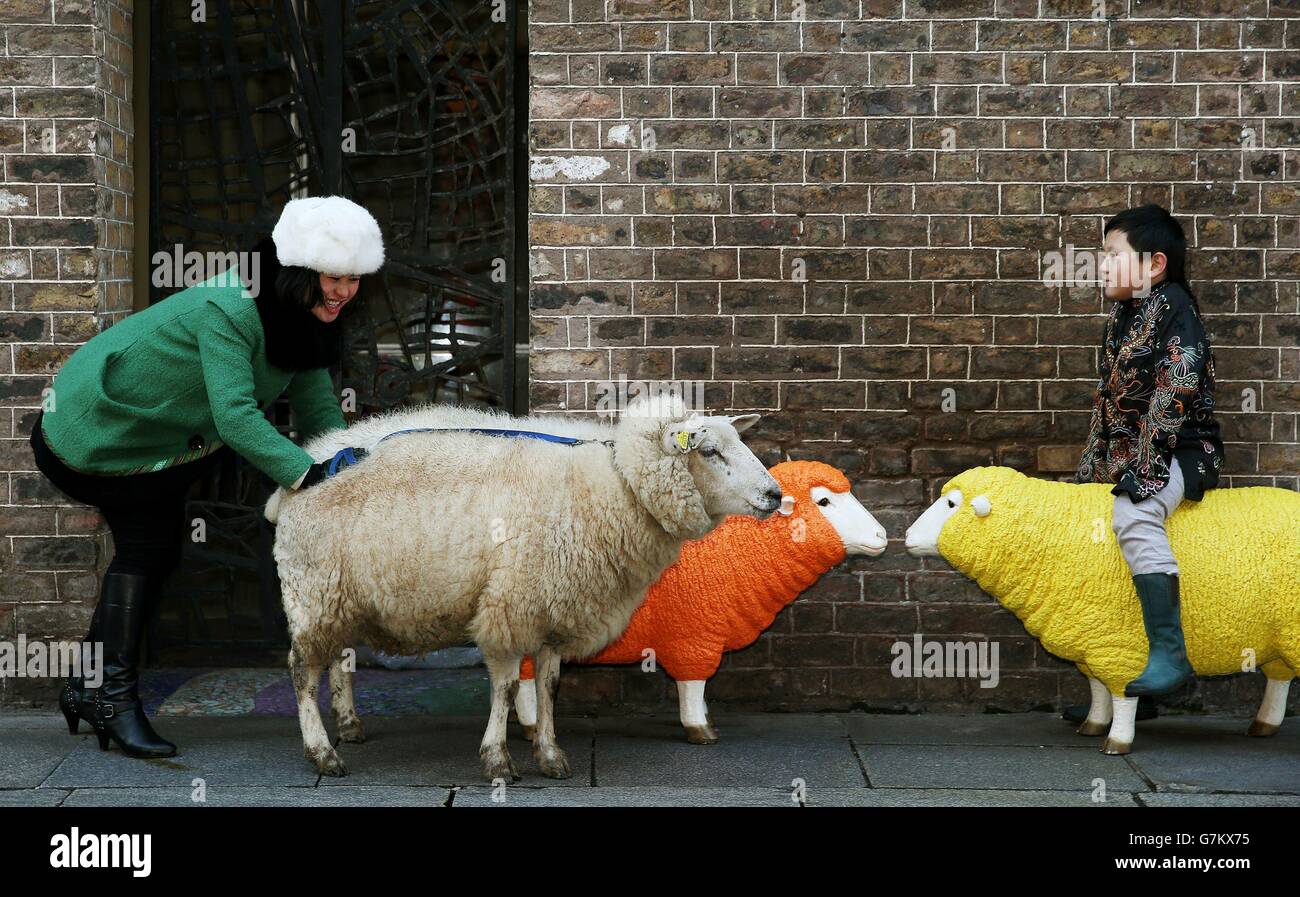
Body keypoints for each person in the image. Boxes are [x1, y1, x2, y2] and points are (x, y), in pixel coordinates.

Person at [31, 195, 380, 758]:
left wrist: (355, 468)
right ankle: (110, 698)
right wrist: (311, 477)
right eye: (334, 277)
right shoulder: (230, 307)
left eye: (355, 280)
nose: (344, 291)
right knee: (148, 547)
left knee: (158, 550)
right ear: (298, 273)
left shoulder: (305, 321)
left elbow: (320, 417)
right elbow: (236, 418)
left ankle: (88, 686)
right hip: (96, 428)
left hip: (160, 442)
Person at [1072, 204, 1225, 713]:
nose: (1101, 265)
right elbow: (1108, 400)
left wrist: (1150, 468)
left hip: (1182, 450)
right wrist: (1090, 475)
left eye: (1111, 254)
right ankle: (1131, 688)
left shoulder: (1176, 307)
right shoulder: (1124, 314)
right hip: (1127, 457)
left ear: (1154, 263)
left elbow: (1175, 387)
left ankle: (1170, 656)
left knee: (1136, 515)